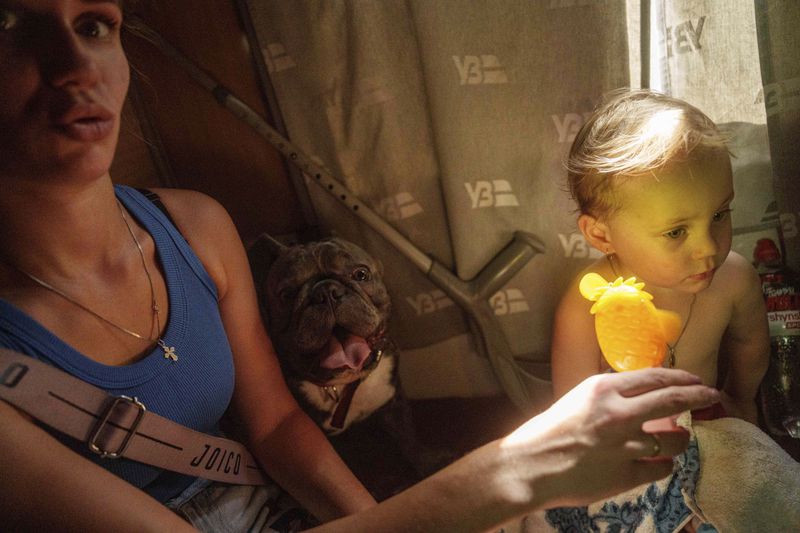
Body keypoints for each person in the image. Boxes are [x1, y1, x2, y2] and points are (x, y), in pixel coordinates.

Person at [0, 2, 720, 532]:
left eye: (93, 24)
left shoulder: (195, 227)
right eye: (9, 24)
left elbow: (278, 424)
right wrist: (514, 468)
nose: (75, 67)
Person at [551, 89, 769, 424]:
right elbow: (572, 410)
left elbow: (750, 347)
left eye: (719, 214)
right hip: (627, 438)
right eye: (676, 232)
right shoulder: (585, 305)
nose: (709, 247)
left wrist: (741, 401)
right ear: (601, 236)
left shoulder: (734, 279)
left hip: (707, 419)